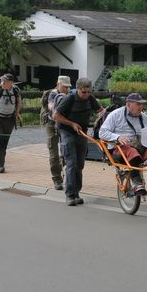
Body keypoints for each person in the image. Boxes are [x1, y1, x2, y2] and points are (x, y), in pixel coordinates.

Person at [99, 93, 147, 196]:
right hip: (119, 149)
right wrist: (118, 137)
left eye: (142, 104)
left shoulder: (144, 117)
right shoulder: (116, 115)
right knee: (132, 151)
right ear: (128, 105)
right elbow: (102, 132)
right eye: (138, 104)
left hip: (139, 146)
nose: (141, 107)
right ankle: (137, 182)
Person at [53, 77, 104, 206]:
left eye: (88, 92)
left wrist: (103, 114)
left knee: (80, 164)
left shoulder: (90, 98)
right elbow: (56, 116)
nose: (86, 95)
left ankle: (76, 193)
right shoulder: (68, 99)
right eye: (84, 92)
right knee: (72, 163)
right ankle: (70, 195)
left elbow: (100, 110)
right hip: (67, 132)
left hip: (82, 132)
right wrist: (71, 124)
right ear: (78, 90)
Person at [41, 75, 72, 190]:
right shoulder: (53, 94)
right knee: (53, 154)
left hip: (64, 125)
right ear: (58, 84)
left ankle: (59, 167)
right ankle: (57, 179)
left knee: (66, 152)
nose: (66, 89)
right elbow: (50, 106)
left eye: (68, 87)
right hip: (52, 125)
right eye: (64, 87)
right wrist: (57, 107)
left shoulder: (70, 94)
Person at [0, 73, 22, 173]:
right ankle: (0, 165)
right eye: (2, 81)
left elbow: (19, 102)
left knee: (5, 142)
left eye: (5, 81)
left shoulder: (15, 90)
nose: (2, 83)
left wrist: (17, 112)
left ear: (10, 83)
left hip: (9, 119)